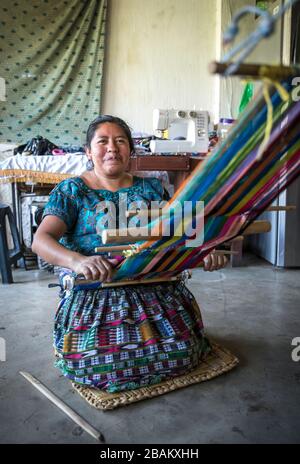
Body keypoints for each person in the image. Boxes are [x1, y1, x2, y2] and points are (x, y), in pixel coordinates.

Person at [32, 115, 227, 393]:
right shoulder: (73, 191)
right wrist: (80, 261)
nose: (112, 148)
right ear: (88, 151)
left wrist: (206, 250)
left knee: (182, 352)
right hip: (97, 289)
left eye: (120, 141)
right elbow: (41, 240)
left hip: (151, 283)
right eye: (103, 141)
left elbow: (179, 232)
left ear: (131, 150)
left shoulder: (151, 189)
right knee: (99, 364)